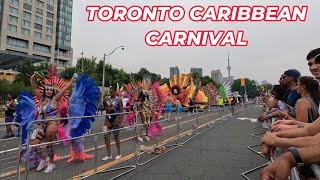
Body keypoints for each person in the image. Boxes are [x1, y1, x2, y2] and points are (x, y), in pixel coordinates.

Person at [30, 71, 75, 173]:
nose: (49, 91)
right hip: (42, 123)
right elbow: (34, 88)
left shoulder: (55, 99)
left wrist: (71, 81)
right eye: (47, 90)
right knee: (34, 144)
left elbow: (63, 90)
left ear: (53, 91)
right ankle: (43, 159)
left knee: (49, 143)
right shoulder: (41, 99)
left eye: (51, 90)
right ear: (45, 91)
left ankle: (51, 163)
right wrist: (33, 78)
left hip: (52, 122)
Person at [102, 86, 122, 161]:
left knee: (116, 137)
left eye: (111, 92)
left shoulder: (119, 100)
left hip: (115, 118)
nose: (110, 93)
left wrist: (121, 121)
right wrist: (104, 104)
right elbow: (103, 109)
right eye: (109, 92)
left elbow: (121, 111)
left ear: (115, 92)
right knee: (106, 136)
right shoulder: (107, 99)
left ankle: (119, 153)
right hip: (107, 118)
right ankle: (109, 155)